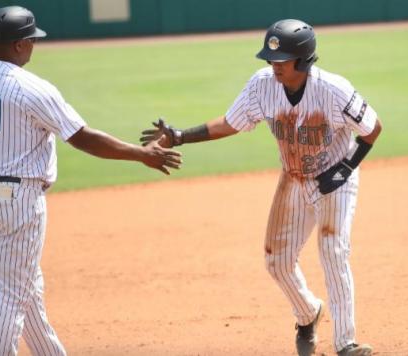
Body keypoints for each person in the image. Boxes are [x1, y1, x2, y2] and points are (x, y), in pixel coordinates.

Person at [0, 6, 182, 355]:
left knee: (26, 288)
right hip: (18, 202)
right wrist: (140, 153)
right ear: (19, 44)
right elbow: (81, 136)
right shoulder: (31, 88)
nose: (33, 46)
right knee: (12, 294)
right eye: (32, 40)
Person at [140, 19, 381, 356]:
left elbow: (372, 128)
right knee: (276, 262)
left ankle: (346, 343)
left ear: (303, 59)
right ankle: (308, 313)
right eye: (271, 59)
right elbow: (230, 123)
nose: (274, 65)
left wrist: (345, 168)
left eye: (282, 59)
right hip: (293, 179)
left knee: (332, 251)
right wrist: (180, 136)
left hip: (334, 181)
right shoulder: (261, 86)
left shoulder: (333, 90)